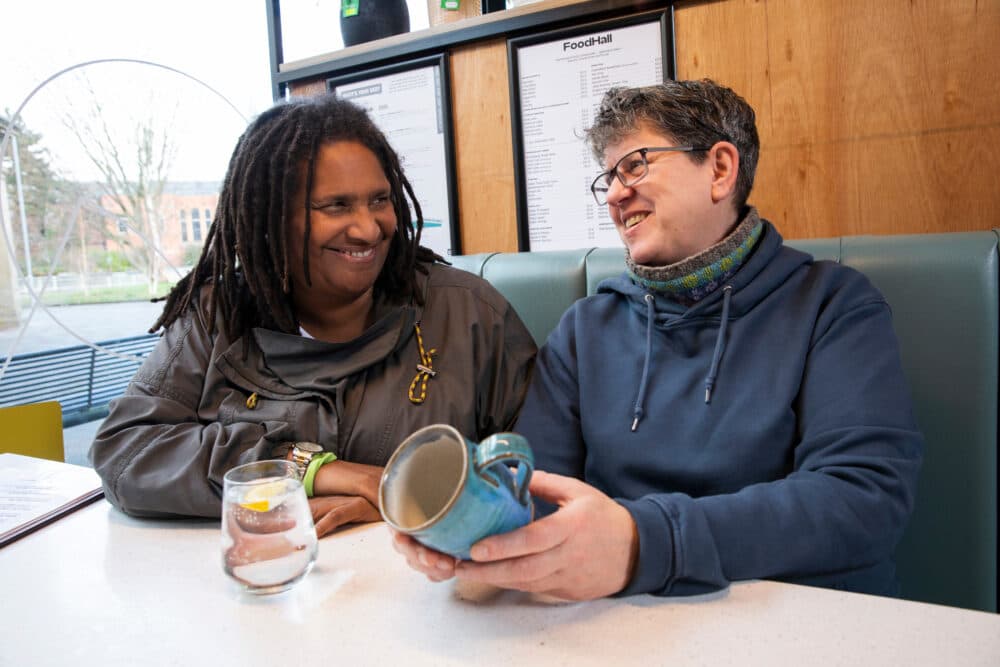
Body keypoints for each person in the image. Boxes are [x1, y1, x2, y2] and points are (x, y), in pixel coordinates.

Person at [392, 79, 923, 600]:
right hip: (623, 624)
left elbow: (863, 501)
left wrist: (642, 543)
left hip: (795, 616)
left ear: (719, 169)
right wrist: (466, 533)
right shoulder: (585, 330)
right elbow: (540, 492)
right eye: (608, 178)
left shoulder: (833, 305)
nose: (617, 194)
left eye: (636, 164)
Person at [90, 94, 536, 537]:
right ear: (272, 217)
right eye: (336, 206)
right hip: (258, 584)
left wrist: (405, 500)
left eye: (380, 200)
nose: (368, 228)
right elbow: (126, 450)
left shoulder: (471, 314)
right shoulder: (217, 317)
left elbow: (542, 475)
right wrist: (312, 471)